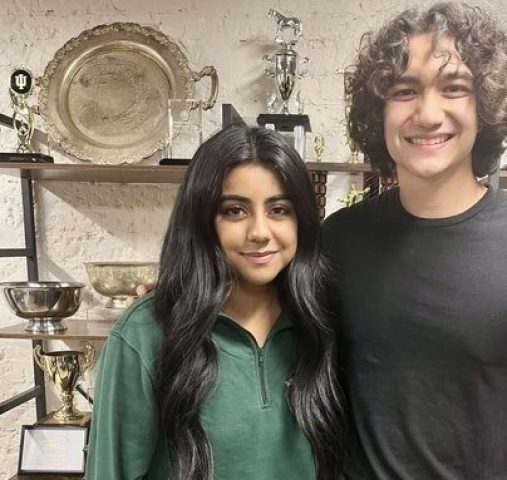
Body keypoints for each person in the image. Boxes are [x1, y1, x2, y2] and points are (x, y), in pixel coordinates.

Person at [322, 2, 507, 479]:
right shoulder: (337, 239)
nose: (428, 114)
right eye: (404, 90)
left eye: (454, 89)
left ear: (486, 106)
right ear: (379, 110)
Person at [86, 125, 345, 480]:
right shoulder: (146, 334)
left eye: (279, 210)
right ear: (203, 220)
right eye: (235, 210)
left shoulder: (319, 324)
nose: (259, 232)